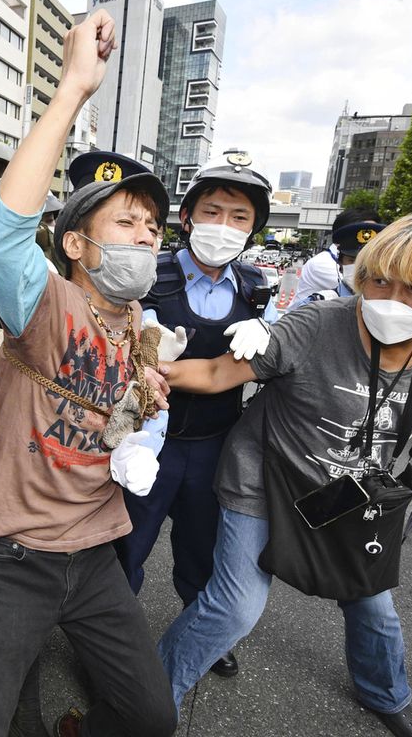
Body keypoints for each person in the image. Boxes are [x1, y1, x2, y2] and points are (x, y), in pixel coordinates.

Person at [153, 211, 412, 737]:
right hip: (264, 481)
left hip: (347, 494)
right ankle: (150, 697)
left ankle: (385, 693)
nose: (391, 299)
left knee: (373, 607)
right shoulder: (318, 324)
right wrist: (149, 365)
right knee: (234, 608)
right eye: (380, 279)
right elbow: (219, 372)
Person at [0, 10, 178, 737]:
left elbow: (140, 409)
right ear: (76, 243)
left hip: (97, 553)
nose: (144, 236)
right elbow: (3, 231)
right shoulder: (47, 302)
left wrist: (148, 430)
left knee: (150, 717)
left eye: (152, 227)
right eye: (124, 223)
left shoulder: (138, 325)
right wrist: (74, 87)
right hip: (12, 558)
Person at [116, 152, 273, 680]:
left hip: (215, 442)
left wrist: (268, 335)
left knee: (201, 546)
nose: (222, 227)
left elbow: (272, 361)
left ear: (253, 230)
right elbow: (128, 349)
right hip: (146, 437)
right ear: (187, 217)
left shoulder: (255, 288)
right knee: (126, 543)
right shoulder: (150, 273)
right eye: (211, 211)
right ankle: (111, 641)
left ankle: (202, 631)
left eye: (238, 218)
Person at [289, 208, 382, 309]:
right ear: (340, 264)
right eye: (353, 260)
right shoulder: (322, 264)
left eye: (370, 260)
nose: (362, 268)